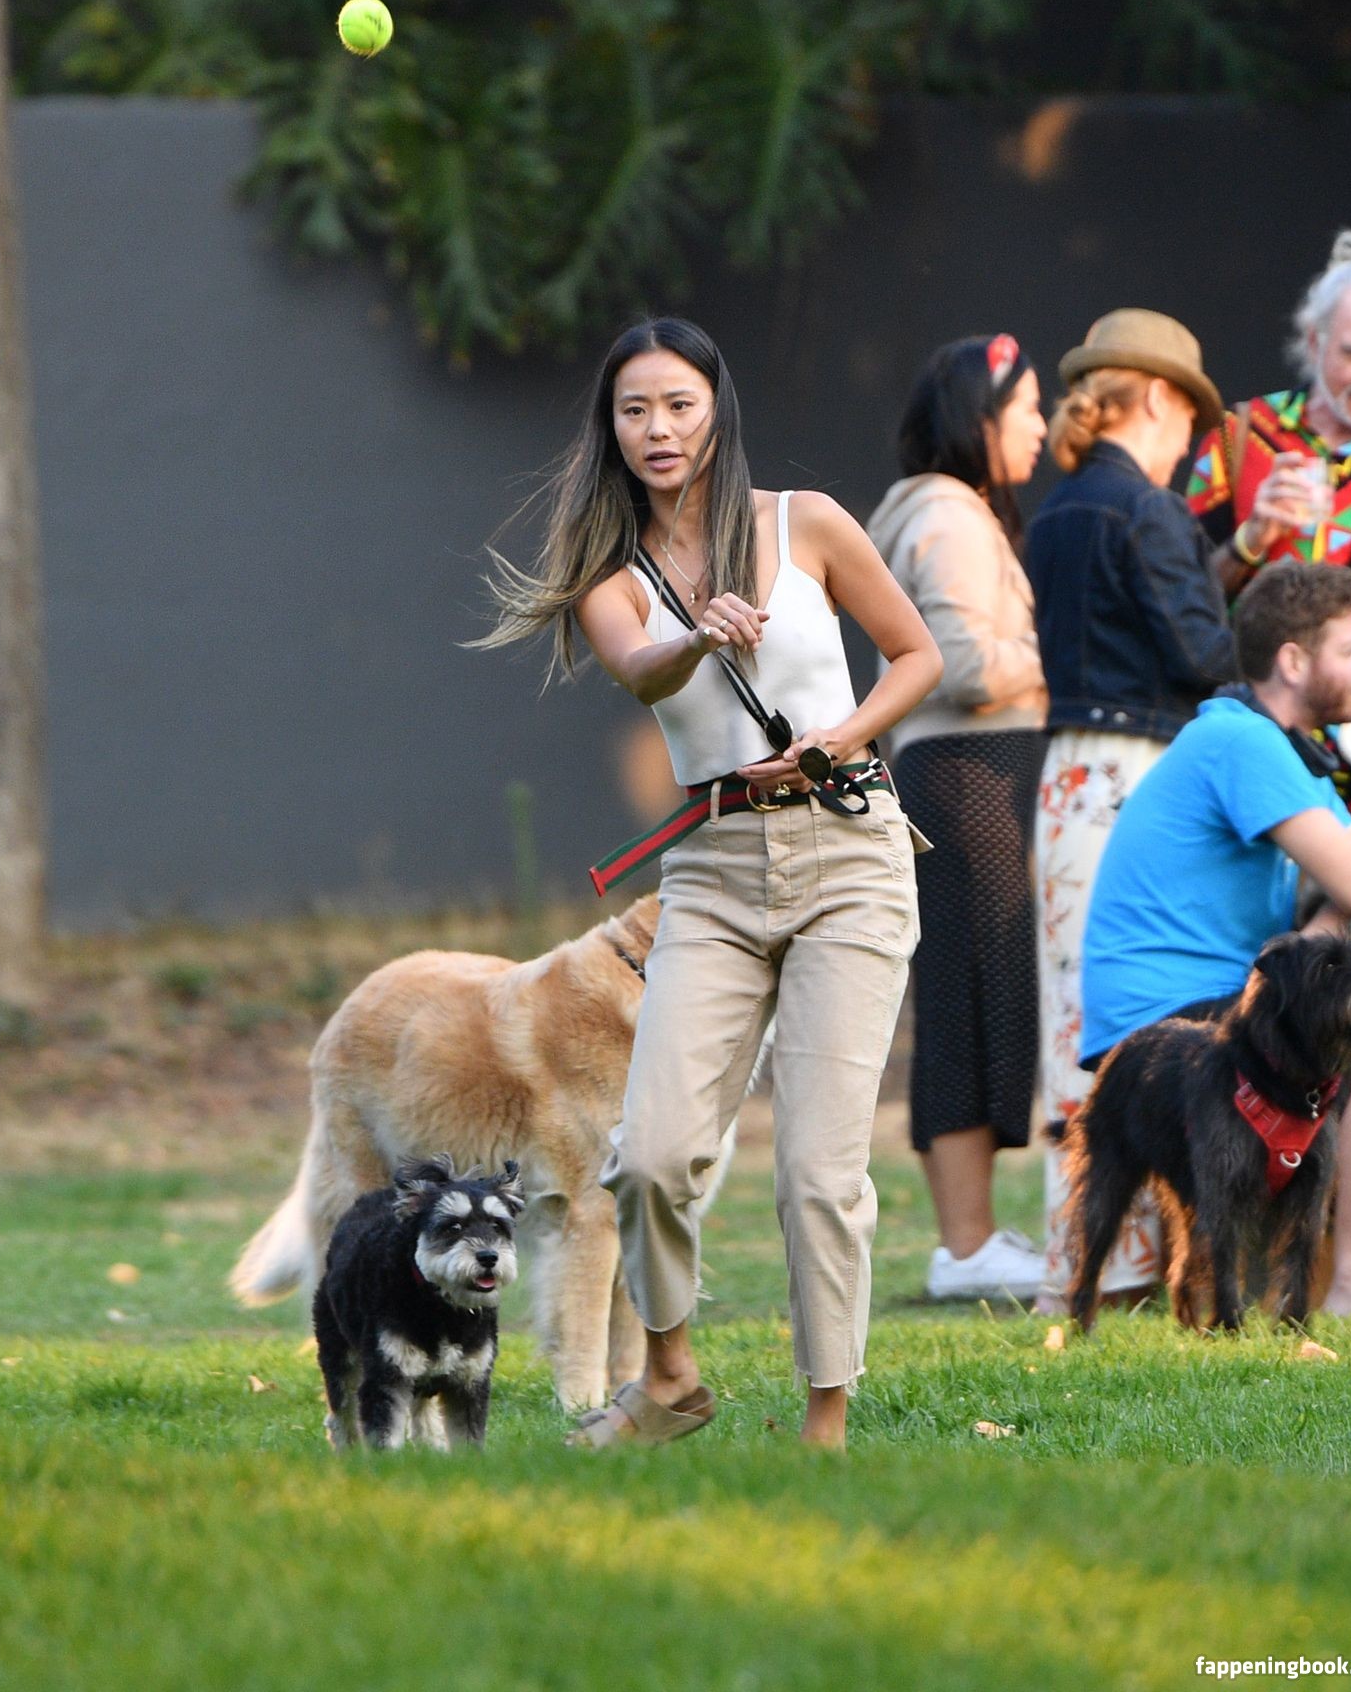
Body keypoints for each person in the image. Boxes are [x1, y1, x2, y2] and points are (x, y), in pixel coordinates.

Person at [477, 318, 941, 1449]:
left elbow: (919, 656)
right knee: (649, 1155)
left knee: (819, 1171)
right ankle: (670, 1380)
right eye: (634, 410)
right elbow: (642, 671)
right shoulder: (608, 576)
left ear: (716, 411)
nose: (658, 429)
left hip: (850, 852)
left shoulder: (806, 522)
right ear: (611, 429)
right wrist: (695, 639)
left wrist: (841, 736)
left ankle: (825, 1426)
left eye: (678, 404)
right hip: (713, 872)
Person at [1079, 560, 1351, 1319]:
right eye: (1350, 648)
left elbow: (1347, 903)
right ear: (1293, 661)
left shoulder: (1280, 748)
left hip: (1220, 995)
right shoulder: (1242, 742)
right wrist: (1322, 944)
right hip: (1167, 1019)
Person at [1024, 310, 1237, 1307]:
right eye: (1192, 416)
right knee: (1154, 1017)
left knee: (1076, 1013)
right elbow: (1201, 655)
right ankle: (1140, 1263)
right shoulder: (1146, 508)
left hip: (1067, 776)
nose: (1194, 438)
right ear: (1157, 395)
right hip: (1142, 780)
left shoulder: (1059, 509)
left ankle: (1087, 1257)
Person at [867, 334, 1048, 1303]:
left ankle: (970, 1243)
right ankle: (967, 1248)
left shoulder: (950, 510)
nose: (1041, 427)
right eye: (1027, 408)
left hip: (965, 775)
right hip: (970, 775)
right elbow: (967, 666)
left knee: (971, 996)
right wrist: (1068, 655)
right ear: (980, 418)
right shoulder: (946, 514)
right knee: (970, 998)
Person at [1189, 231, 1351, 842]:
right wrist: (1250, 540)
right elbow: (1183, 602)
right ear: (1314, 344)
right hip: (1253, 776)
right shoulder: (1238, 440)